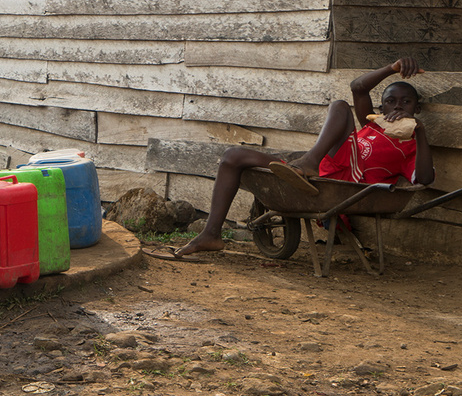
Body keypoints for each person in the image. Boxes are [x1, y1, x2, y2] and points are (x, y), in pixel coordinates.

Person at [168, 58, 434, 259]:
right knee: (232, 156)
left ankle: (307, 164)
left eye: (406, 102)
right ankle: (211, 234)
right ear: (382, 106)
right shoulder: (372, 123)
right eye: (390, 101)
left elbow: (424, 178)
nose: (397, 107)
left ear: (416, 109)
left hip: (349, 186)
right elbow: (358, 87)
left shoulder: (410, 146)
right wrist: (392, 67)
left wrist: (418, 131)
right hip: (323, 175)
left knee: (340, 107)